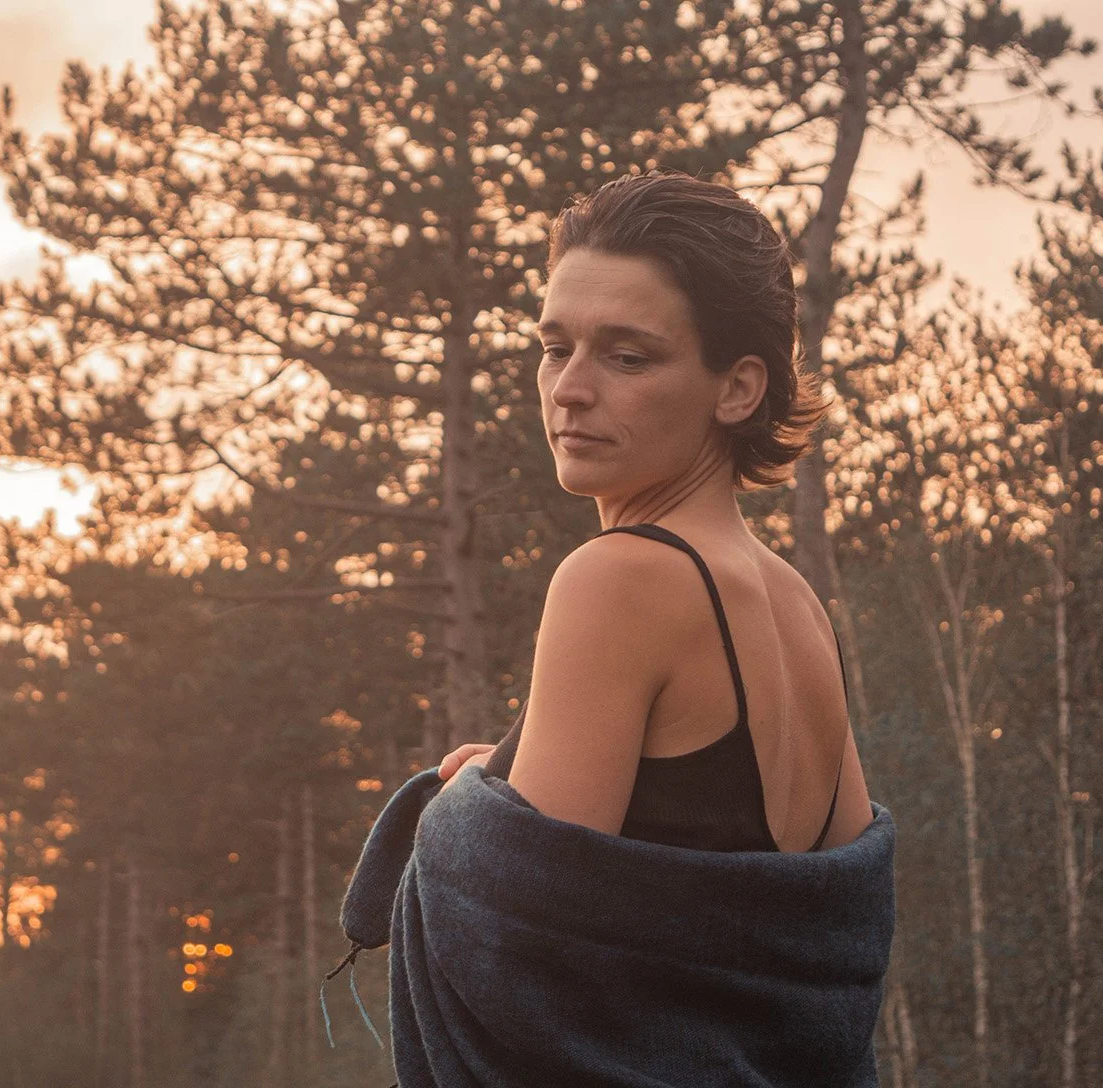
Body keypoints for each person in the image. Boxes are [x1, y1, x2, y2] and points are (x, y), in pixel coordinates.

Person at [327, 169, 897, 1087]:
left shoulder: (618, 578)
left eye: (626, 357)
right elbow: (812, 937)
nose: (569, 389)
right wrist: (505, 774)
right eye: (555, 347)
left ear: (737, 387)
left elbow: (518, 953)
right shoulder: (798, 606)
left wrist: (461, 815)